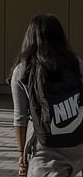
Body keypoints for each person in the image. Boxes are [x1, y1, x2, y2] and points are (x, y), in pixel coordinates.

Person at [11, 14, 83, 177]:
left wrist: (22, 154)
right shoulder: (76, 63)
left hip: (47, 150)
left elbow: (20, 117)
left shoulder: (22, 70)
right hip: (79, 139)